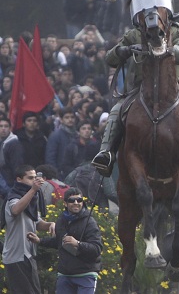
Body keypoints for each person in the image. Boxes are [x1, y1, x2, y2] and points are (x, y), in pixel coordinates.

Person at [91, 0, 179, 185]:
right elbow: (110, 58)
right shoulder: (134, 34)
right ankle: (106, 154)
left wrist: (167, 49)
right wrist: (126, 50)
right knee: (117, 110)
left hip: (176, 88)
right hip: (140, 90)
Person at [28, 187, 102, 293]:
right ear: (65, 204)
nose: (76, 203)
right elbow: (59, 241)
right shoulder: (61, 220)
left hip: (86, 274)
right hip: (65, 274)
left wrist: (77, 244)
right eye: (72, 200)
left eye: (79, 200)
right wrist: (39, 240)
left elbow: (97, 248)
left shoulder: (90, 222)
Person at [2, 165, 55, 294]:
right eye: (30, 178)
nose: (34, 180)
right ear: (19, 179)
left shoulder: (30, 200)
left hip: (28, 254)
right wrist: (33, 190)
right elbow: (15, 210)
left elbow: (36, 222)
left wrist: (50, 224)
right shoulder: (13, 197)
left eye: (35, 177)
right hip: (17, 255)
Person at [45, 108, 78, 179]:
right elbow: (50, 158)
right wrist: (56, 174)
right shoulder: (55, 135)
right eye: (67, 117)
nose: (70, 119)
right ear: (61, 119)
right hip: (61, 175)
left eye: (72, 117)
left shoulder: (77, 135)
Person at [0, 117, 23, 197]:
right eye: (1, 126)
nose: (3, 129)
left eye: (6, 126)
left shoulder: (13, 143)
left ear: (10, 128)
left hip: (8, 183)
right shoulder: (2, 141)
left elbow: (16, 165)